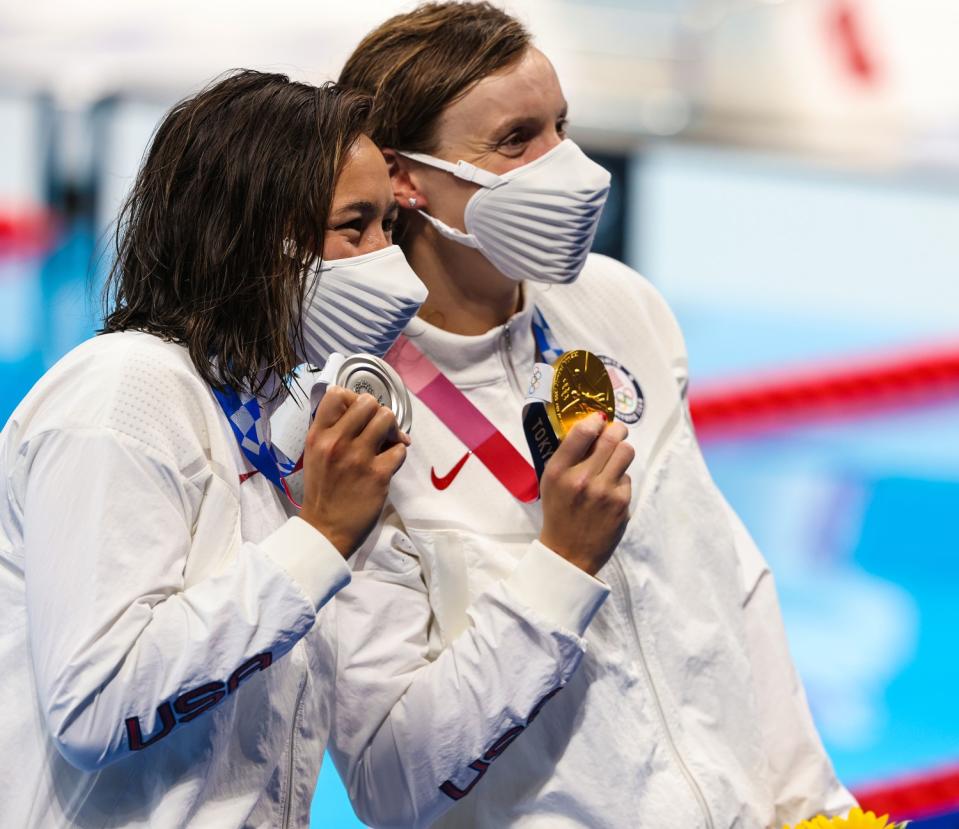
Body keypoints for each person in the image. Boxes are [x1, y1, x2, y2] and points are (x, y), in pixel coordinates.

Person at [321, 4, 857, 827]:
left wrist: (814, 804)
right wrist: (560, 566)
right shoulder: (354, 419)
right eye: (515, 140)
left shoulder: (616, 303)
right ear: (405, 177)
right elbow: (391, 784)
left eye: (560, 127)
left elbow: (723, 575)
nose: (564, 165)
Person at [0, 70, 426, 827]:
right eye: (354, 226)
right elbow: (95, 706)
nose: (391, 266)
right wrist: (320, 540)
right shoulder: (124, 393)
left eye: (389, 227)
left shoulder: (254, 416)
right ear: (258, 238)